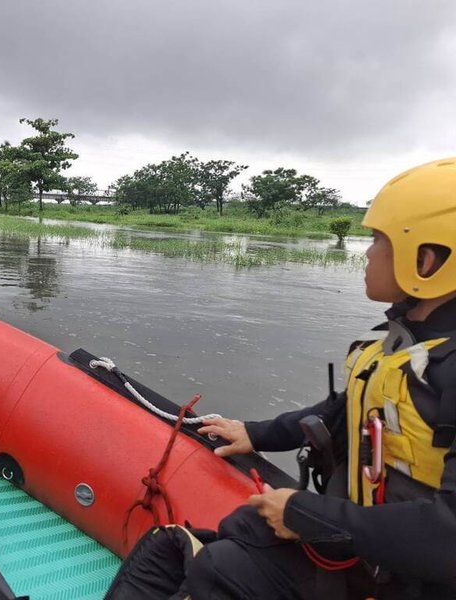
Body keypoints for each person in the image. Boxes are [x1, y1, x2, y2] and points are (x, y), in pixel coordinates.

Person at [105, 158, 456, 599]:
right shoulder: (405, 343)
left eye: (377, 240)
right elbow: (340, 412)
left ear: (426, 259)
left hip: (414, 576)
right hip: (374, 553)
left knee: (222, 567)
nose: (367, 253)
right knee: (213, 536)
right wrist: (255, 434)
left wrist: (305, 514)